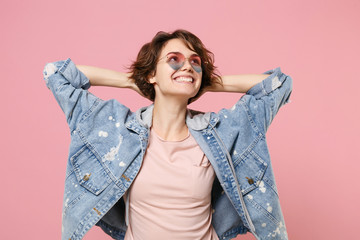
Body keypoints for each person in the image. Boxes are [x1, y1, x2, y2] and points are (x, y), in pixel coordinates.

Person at [43, 29, 292, 240]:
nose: (187, 65)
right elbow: (56, 74)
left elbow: (279, 85)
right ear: (152, 74)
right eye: (175, 59)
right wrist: (132, 80)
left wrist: (203, 80)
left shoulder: (219, 132)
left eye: (196, 62)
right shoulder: (119, 130)